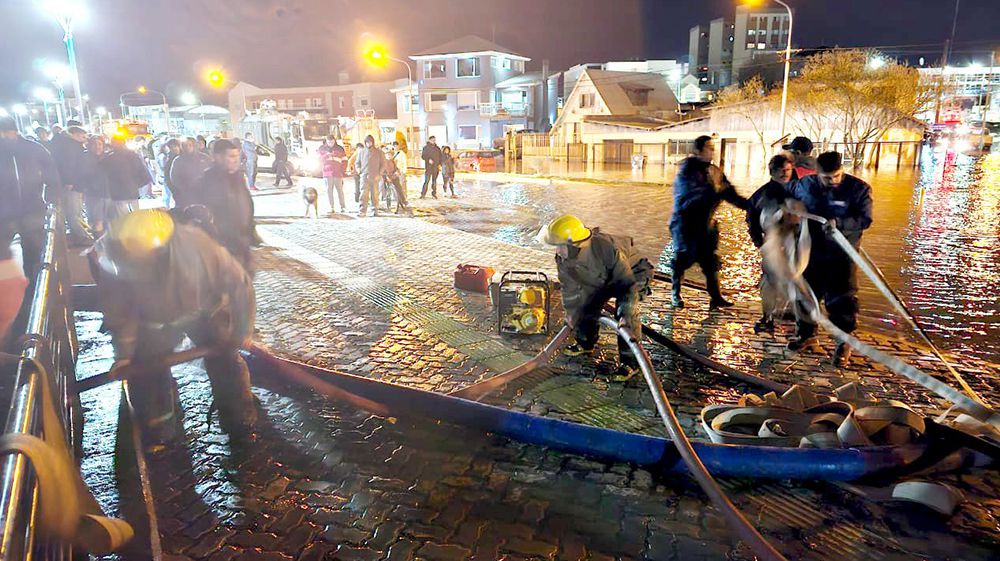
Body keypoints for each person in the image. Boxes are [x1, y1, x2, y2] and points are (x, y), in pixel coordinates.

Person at [90, 209, 257, 445]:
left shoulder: (199, 247)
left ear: (162, 249)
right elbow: (120, 313)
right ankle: (161, 430)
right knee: (147, 372)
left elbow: (240, 285)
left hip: (204, 309)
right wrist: (124, 356)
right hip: (152, 323)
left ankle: (239, 421)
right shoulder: (114, 262)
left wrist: (241, 331)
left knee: (226, 360)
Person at [540, 215, 653, 382]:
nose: (557, 251)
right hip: (602, 277)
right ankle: (586, 342)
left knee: (626, 317)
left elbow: (626, 286)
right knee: (585, 303)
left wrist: (625, 313)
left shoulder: (607, 250)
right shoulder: (564, 257)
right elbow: (569, 286)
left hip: (632, 275)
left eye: (560, 247)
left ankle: (631, 362)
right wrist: (571, 312)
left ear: (574, 245)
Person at [784, 151, 873, 366]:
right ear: (817, 173)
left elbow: (865, 219)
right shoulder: (805, 185)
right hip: (811, 251)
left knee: (842, 299)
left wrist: (840, 224)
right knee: (806, 294)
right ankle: (806, 335)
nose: (832, 181)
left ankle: (844, 343)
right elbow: (785, 195)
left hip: (842, 254)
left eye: (836, 176)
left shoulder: (859, 189)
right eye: (827, 178)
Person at [668, 135, 748, 309]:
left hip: (707, 226)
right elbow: (691, 197)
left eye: (713, 148)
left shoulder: (715, 171)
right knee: (682, 259)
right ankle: (675, 293)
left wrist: (752, 205)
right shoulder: (687, 171)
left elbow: (730, 194)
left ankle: (716, 297)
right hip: (685, 226)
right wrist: (716, 193)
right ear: (697, 151)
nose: (712, 151)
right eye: (708, 148)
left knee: (710, 262)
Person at [0, 115, 61, 281]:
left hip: (32, 209)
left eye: (5, 133)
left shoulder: (34, 149)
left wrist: (52, 200)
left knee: (33, 252)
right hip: (4, 213)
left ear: (14, 131)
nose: (3, 137)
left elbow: (52, 177)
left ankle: (33, 285)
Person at [188, 139, 256, 271]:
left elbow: (246, 205)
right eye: (231, 156)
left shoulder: (238, 177)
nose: (236, 160)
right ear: (218, 157)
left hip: (241, 243)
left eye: (237, 156)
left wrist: (250, 232)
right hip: (221, 247)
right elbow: (201, 214)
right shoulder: (207, 182)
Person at [746, 154, 794, 334]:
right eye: (781, 171)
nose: (785, 174)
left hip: (795, 241)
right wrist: (759, 242)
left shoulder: (798, 189)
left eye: (788, 170)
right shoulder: (761, 195)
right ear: (772, 172)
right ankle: (767, 316)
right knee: (769, 280)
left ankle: (789, 312)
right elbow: (751, 219)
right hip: (772, 242)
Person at [48, 123, 91, 245]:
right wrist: (70, 181)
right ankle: (80, 236)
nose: (85, 139)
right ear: (75, 135)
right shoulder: (71, 146)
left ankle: (77, 234)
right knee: (74, 211)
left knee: (72, 211)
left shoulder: (63, 144)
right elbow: (69, 165)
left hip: (70, 183)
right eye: (83, 136)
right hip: (73, 184)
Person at [101, 136, 153, 225]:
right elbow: (141, 170)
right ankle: (137, 232)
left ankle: (127, 234)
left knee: (123, 217)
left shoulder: (109, 157)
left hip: (117, 193)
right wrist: (138, 184)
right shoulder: (132, 155)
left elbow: (103, 174)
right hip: (132, 190)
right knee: (136, 214)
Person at [169, 137, 213, 209]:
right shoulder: (178, 160)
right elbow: (174, 178)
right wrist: (183, 189)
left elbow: (212, 173)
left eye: (190, 145)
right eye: (185, 145)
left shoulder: (204, 158)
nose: (188, 147)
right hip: (187, 195)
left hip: (204, 194)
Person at [79, 135, 110, 237]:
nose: (97, 147)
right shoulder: (85, 158)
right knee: (97, 221)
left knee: (109, 221)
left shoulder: (108, 157)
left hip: (108, 194)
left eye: (100, 144)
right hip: (93, 195)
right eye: (94, 144)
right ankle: (98, 245)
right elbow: (84, 176)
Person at [355, 135, 386, 217]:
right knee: (363, 194)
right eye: (367, 142)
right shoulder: (361, 152)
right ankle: (362, 210)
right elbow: (357, 163)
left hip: (375, 176)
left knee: (375, 194)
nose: (369, 144)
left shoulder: (379, 152)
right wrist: (359, 171)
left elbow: (383, 164)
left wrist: (380, 174)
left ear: (373, 142)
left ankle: (375, 210)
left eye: (370, 142)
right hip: (364, 176)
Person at [320, 137, 348, 214]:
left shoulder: (340, 149)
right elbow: (319, 159)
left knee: (340, 191)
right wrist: (326, 155)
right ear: (326, 141)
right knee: (329, 191)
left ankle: (343, 207)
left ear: (334, 141)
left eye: (332, 142)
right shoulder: (322, 148)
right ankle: (331, 207)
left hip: (337, 173)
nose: (330, 144)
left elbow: (345, 160)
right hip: (327, 173)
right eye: (329, 142)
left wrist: (343, 171)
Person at [390, 142, 411, 214]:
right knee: (397, 189)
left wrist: (404, 172)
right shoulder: (392, 154)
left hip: (401, 172)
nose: (396, 147)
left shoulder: (402, 154)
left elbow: (405, 163)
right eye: (394, 146)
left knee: (401, 188)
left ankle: (403, 201)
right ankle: (400, 202)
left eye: (397, 146)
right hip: (394, 173)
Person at [161, 138, 182, 208]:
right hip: (173, 186)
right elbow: (167, 174)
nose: (174, 149)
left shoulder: (183, 157)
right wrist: (172, 187)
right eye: (172, 147)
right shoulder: (168, 158)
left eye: (175, 146)